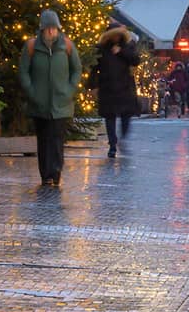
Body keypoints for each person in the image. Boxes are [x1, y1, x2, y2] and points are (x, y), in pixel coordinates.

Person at [19, 10, 83, 189]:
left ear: (58, 29)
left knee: (56, 139)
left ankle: (55, 173)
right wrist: (31, 91)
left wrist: (70, 89)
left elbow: (77, 69)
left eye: (53, 29)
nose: (50, 32)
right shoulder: (32, 46)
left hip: (61, 103)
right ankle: (45, 175)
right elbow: (24, 71)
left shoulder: (67, 46)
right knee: (43, 139)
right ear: (42, 29)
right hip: (39, 103)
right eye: (47, 29)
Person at [93, 25, 141, 157]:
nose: (116, 37)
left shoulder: (127, 46)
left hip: (124, 87)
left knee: (126, 115)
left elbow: (136, 60)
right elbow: (94, 68)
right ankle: (112, 145)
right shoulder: (101, 49)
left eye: (118, 35)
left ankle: (123, 138)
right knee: (110, 117)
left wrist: (121, 52)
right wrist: (93, 86)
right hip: (107, 87)